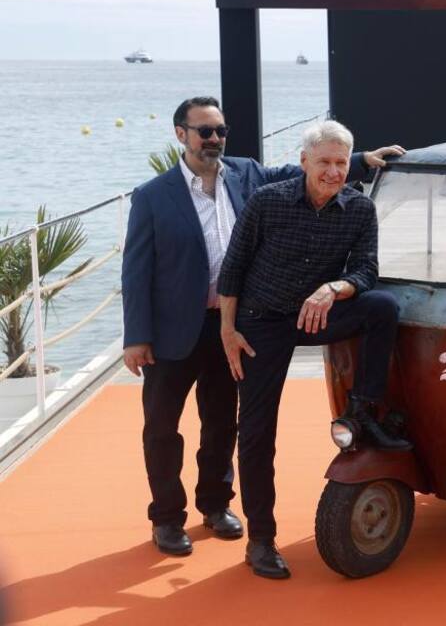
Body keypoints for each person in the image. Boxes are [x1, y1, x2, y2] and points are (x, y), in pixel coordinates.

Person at [121, 97, 400, 558]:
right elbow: (136, 270)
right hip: (176, 331)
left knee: (221, 424)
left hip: (234, 324)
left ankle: (215, 505)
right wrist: (136, 337)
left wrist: (359, 161)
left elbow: (306, 172)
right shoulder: (153, 196)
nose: (214, 139)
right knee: (162, 428)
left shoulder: (247, 174)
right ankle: (168, 518)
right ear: (181, 134)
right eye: (204, 131)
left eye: (220, 131)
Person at [216, 119, 410, 580]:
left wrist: (335, 288)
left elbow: (366, 270)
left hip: (315, 314)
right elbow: (233, 268)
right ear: (303, 161)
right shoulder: (268, 202)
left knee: (381, 307)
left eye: (342, 163)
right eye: (324, 162)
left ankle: (363, 412)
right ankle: (261, 540)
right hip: (260, 325)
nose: (333, 171)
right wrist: (227, 330)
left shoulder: (360, 210)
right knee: (257, 431)